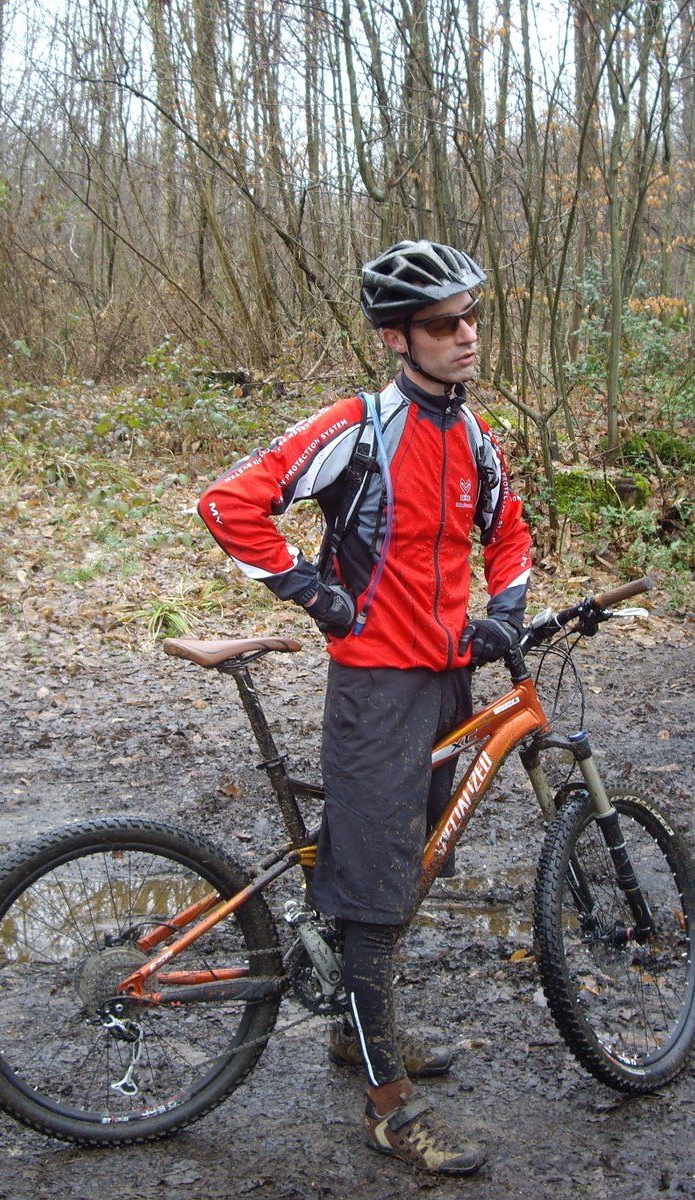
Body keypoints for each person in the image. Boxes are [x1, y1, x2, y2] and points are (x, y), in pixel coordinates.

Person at [198, 239, 533, 1174]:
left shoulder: (472, 435)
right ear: (397, 338)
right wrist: (316, 597)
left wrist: (507, 611)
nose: (466, 335)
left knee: (418, 857)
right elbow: (229, 504)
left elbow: (509, 530)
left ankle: (357, 1030)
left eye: (471, 317)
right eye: (443, 323)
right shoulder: (358, 426)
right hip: (376, 691)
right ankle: (390, 1108)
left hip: (447, 681)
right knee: (378, 892)